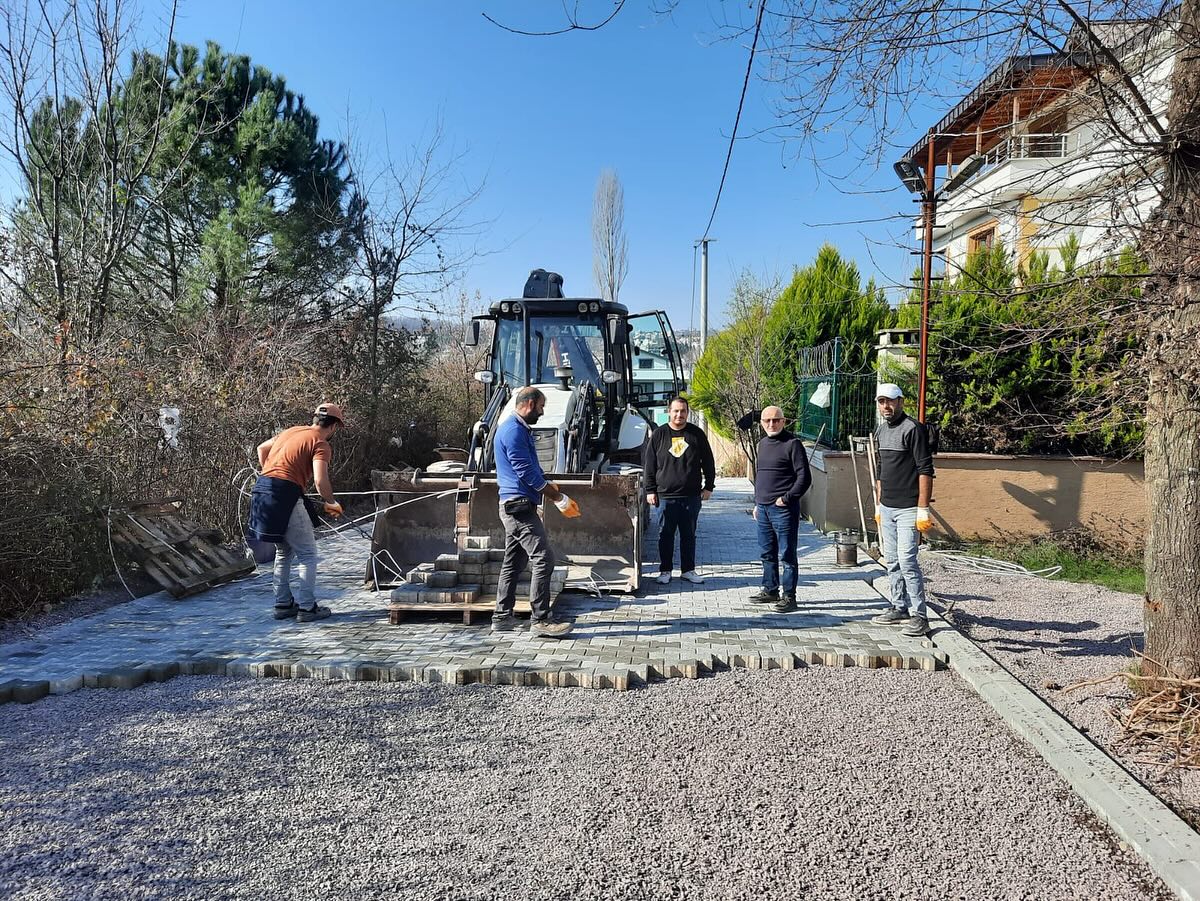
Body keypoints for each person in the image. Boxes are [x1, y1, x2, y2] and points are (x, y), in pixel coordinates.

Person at [492, 386, 577, 638]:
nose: (541, 412)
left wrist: (546, 487)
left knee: (514, 562)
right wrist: (556, 496)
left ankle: (501, 617)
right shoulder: (513, 430)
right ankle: (541, 619)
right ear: (528, 404)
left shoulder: (516, 429)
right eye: (540, 407)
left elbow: (531, 468)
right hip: (517, 507)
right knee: (543, 558)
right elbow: (524, 471)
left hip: (517, 504)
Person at [248, 402, 346, 623]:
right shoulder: (320, 443)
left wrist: (271, 474)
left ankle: (283, 604)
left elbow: (261, 448)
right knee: (308, 554)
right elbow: (320, 480)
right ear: (334, 427)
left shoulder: (291, 431)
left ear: (314, 419)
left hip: (262, 490)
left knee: (283, 551)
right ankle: (307, 608)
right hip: (285, 495)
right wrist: (331, 502)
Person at [870, 383, 935, 637]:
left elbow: (925, 469)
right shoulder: (881, 431)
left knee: (908, 561)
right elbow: (880, 470)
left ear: (901, 401)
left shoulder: (913, 429)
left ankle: (920, 616)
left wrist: (923, 509)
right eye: (882, 401)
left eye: (891, 401)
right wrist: (878, 503)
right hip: (887, 507)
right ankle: (898, 606)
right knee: (892, 560)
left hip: (909, 508)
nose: (886, 406)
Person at [643, 396, 716, 585]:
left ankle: (688, 570)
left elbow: (708, 461)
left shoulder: (696, 434)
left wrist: (709, 487)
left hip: (691, 496)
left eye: (683, 411)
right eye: (676, 411)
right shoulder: (659, 434)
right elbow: (649, 465)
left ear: (687, 412)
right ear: (669, 411)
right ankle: (665, 570)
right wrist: (650, 490)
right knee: (665, 535)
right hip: (665, 496)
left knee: (689, 535)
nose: (679, 414)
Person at [749, 406, 812, 613]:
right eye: (767, 420)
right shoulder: (762, 444)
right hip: (764, 509)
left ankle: (789, 596)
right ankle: (770, 589)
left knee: (786, 554)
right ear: (761, 423)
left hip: (783, 510)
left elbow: (804, 478)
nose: (771, 424)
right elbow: (762, 477)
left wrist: (786, 499)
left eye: (775, 420)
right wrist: (758, 503)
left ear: (784, 421)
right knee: (767, 552)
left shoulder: (792, 444)